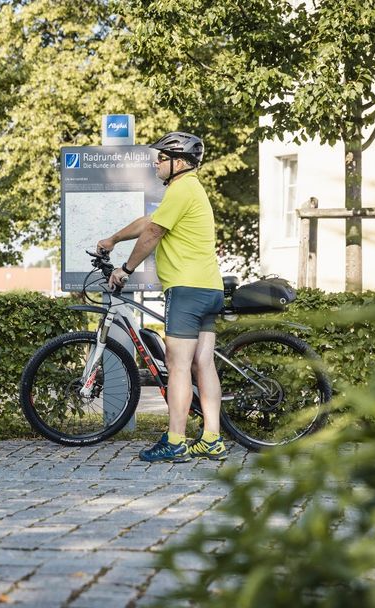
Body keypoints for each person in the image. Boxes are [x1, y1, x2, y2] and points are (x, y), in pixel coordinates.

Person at [97, 131, 226, 463]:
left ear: (178, 163)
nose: (156, 162)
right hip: (208, 288)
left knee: (178, 365)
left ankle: (175, 441)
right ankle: (212, 438)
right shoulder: (187, 191)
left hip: (186, 290)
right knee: (203, 363)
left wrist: (124, 268)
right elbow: (149, 220)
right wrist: (114, 238)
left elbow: (154, 232)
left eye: (162, 157)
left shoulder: (183, 190)